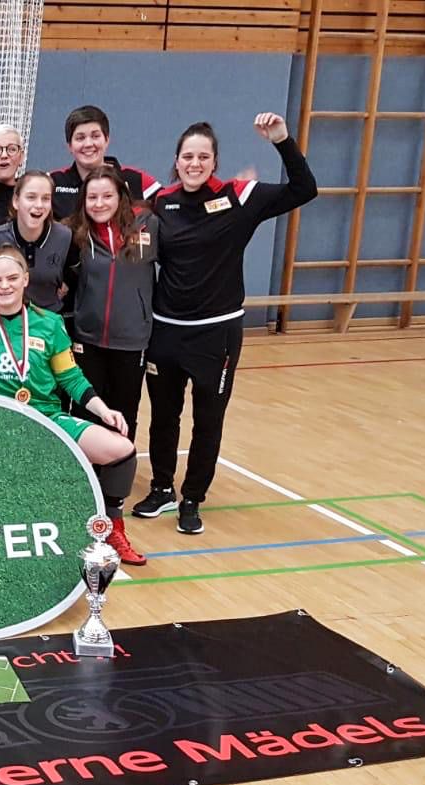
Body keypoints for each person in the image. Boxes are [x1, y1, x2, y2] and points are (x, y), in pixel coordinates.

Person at [134, 113, 317, 535]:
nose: (194, 163)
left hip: (216, 334)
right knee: (163, 415)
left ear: (213, 161)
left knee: (208, 420)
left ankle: (192, 498)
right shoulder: (163, 203)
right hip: (165, 331)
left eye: (203, 156)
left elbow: (305, 189)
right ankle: (161, 487)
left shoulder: (241, 196)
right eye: (187, 156)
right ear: (176, 161)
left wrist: (282, 141)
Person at [0, 248, 136, 482]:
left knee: (121, 449)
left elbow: (71, 378)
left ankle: (110, 518)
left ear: (25, 279)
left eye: (13, 278)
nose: (4, 286)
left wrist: (103, 410)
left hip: (45, 417)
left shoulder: (50, 323)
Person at [62, 168, 159, 564]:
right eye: (91, 197)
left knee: (122, 425)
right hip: (86, 344)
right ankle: (80, 511)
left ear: (121, 196)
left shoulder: (147, 226)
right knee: (84, 421)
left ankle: (113, 520)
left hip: (131, 342)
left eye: (106, 196)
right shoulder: (74, 234)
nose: (99, 204)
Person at [50, 105, 161, 220]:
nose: (88, 144)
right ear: (69, 146)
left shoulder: (137, 181)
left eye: (95, 136)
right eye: (80, 138)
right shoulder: (53, 183)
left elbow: (171, 210)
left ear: (107, 140)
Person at [0, 170, 72, 315]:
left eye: (45, 198)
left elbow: (73, 280)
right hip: (8, 321)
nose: (39, 205)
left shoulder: (64, 236)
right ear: (16, 201)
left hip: (50, 321)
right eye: (31, 197)